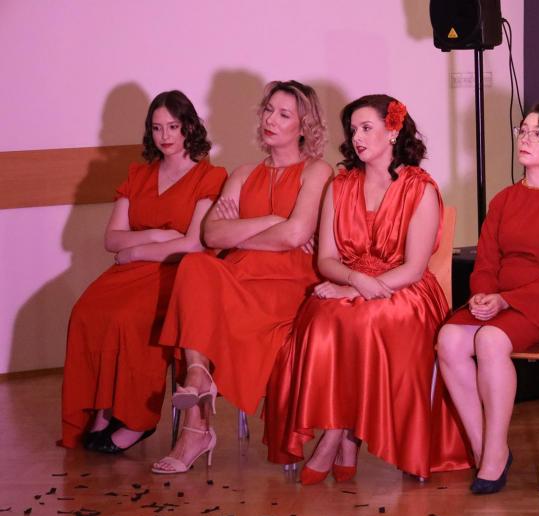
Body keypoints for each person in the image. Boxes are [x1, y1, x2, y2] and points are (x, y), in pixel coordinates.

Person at [263, 94, 471, 483]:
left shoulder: (420, 189)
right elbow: (326, 260)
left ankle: (336, 435)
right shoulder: (339, 185)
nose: (356, 137)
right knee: (321, 319)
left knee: (367, 320)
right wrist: (354, 281)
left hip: (404, 290)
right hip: (348, 280)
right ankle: (344, 434)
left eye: (366, 128)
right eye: (353, 129)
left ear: (392, 131)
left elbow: (413, 268)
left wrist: (357, 291)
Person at [151, 80, 331, 474]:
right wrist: (272, 221)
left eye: (284, 114)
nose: (271, 119)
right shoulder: (244, 173)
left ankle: (195, 431)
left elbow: (296, 236)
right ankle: (198, 380)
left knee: (202, 301)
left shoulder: (317, 171)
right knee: (194, 266)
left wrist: (245, 231)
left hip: (288, 285)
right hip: (238, 276)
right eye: (268, 110)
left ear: (303, 126)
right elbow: (211, 235)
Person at [436, 104, 539, 494]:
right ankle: (488, 449)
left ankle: (491, 456)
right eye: (523, 130)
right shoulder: (505, 199)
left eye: (538, 132)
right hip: (499, 299)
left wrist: (507, 301)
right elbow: (486, 261)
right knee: (449, 339)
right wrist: (482, 295)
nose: (525, 138)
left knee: (490, 340)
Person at [61, 90, 227, 452]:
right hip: (129, 273)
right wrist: (156, 235)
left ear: (189, 127)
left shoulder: (210, 176)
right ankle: (104, 410)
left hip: (177, 275)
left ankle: (137, 419)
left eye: (173, 126)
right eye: (156, 128)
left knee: (127, 317)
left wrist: (135, 249)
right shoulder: (138, 175)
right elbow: (111, 238)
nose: (165, 135)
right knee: (86, 312)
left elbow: (193, 244)